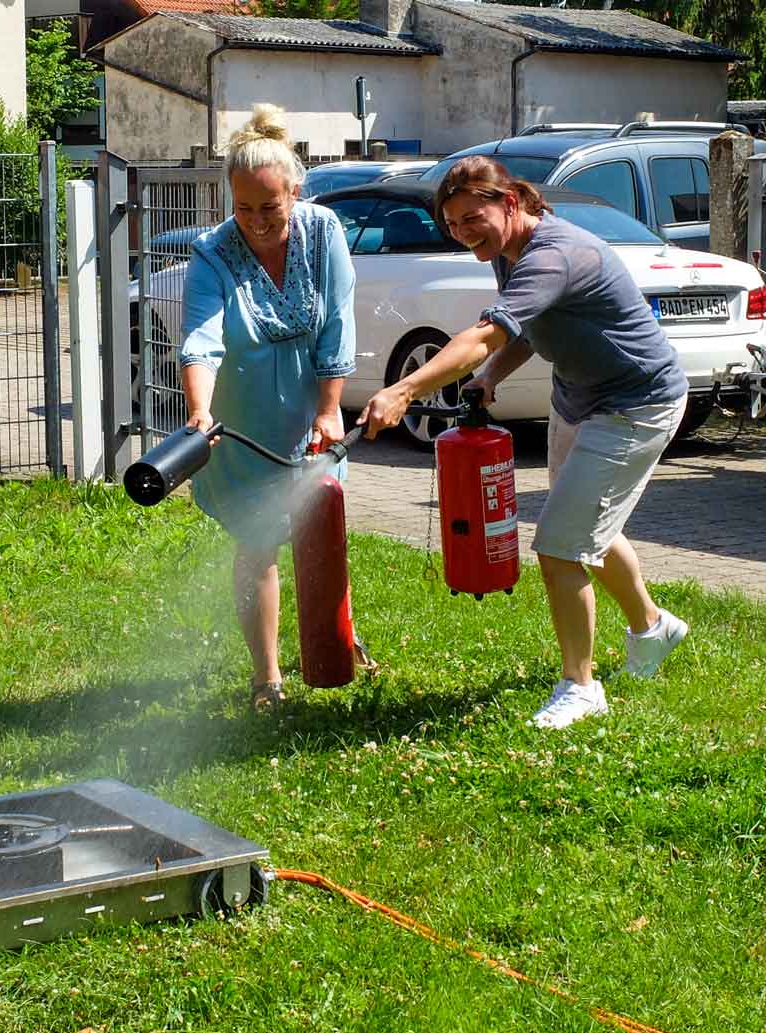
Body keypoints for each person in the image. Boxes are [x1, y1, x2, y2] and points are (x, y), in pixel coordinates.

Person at [359, 156, 689, 729]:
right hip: (578, 398)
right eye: (453, 225)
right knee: (586, 528)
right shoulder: (507, 252)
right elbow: (529, 328)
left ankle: (581, 687)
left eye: (472, 218)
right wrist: (491, 377)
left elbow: (485, 332)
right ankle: (653, 627)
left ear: (510, 202)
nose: (464, 234)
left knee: (561, 545)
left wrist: (405, 390)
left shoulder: (552, 253)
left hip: (636, 405)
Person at [178, 103, 356, 709]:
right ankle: (267, 677)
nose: (256, 220)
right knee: (258, 546)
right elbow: (200, 340)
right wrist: (201, 413)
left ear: (295, 192)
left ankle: (336, 641)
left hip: (313, 411)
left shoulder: (324, 230)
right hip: (244, 421)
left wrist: (330, 408)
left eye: (270, 207)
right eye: (243, 207)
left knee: (322, 531)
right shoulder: (211, 253)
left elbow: (337, 321)